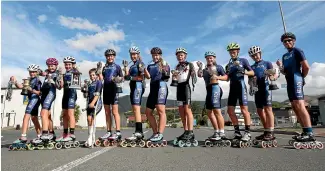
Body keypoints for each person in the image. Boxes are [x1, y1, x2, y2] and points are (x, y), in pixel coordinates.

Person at [276, 32, 321, 148]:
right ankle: (304, 131)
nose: (287, 42)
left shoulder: (298, 51)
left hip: (297, 78)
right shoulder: (284, 56)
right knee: (294, 106)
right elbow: (284, 71)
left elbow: (306, 66)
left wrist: (301, 77)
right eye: (285, 41)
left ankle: (310, 132)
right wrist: (280, 66)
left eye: (289, 40)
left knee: (300, 105)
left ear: (294, 41)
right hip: (289, 80)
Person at [224, 43, 255, 144]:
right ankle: (237, 132)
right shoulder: (228, 65)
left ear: (237, 51)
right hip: (232, 88)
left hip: (241, 87)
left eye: (234, 51)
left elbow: (252, 72)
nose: (232, 52)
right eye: (230, 51)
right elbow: (227, 78)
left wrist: (244, 71)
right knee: (230, 111)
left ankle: (247, 132)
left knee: (244, 110)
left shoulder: (243, 61)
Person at [248, 46, 277, 144]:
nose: (255, 56)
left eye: (256, 54)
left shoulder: (267, 63)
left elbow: (273, 75)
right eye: (253, 55)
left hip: (266, 88)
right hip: (257, 90)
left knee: (268, 109)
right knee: (260, 111)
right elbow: (249, 80)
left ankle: (271, 132)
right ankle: (266, 131)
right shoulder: (252, 67)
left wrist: (272, 77)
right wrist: (251, 84)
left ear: (260, 53)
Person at [197, 51, 228, 142]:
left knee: (216, 111)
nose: (209, 59)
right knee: (209, 112)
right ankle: (216, 131)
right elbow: (199, 75)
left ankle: (222, 133)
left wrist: (218, 77)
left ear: (214, 58)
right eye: (207, 58)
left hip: (215, 88)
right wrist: (200, 67)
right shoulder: (205, 69)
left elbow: (226, 77)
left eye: (211, 58)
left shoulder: (218, 67)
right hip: (208, 90)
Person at [10, 64, 42, 148]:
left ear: (37, 72)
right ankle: (40, 136)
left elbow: (39, 93)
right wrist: (15, 81)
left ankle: (23, 136)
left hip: (35, 99)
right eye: (31, 72)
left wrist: (30, 89)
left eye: (34, 72)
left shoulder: (37, 81)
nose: (32, 73)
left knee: (26, 116)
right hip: (31, 99)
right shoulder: (28, 80)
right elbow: (20, 86)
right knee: (34, 118)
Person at [144, 47, 170, 146]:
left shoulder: (164, 63)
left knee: (160, 110)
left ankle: (160, 134)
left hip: (161, 86)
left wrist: (164, 68)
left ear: (160, 55)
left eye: (157, 55)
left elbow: (167, 77)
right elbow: (148, 77)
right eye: (154, 55)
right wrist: (144, 70)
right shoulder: (150, 65)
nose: (155, 56)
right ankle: (155, 133)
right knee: (148, 112)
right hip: (153, 88)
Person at [172, 47, 198, 147]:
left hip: (186, 87)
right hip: (179, 88)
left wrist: (195, 72)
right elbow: (176, 78)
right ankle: (186, 131)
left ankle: (191, 131)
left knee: (187, 110)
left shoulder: (189, 64)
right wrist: (174, 76)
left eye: (181, 55)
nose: (180, 56)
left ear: (185, 56)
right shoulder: (177, 66)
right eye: (178, 55)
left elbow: (193, 75)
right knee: (181, 111)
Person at [123, 46, 149, 142]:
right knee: (134, 109)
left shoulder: (140, 64)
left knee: (137, 108)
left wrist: (131, 78)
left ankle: (139, 132)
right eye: (131, 54)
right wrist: (125, 67)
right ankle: (138, 132)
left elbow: (142, 77)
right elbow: (127, 77)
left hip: (138, 86)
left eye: (134, 54)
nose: (133, 56)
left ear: (138, 55)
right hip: (132, 87)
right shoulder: (132, 65)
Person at [98, 49, 123, 142]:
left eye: (111, 55)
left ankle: (118, 132)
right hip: (106, 90)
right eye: (108, 56)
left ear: (114, 57)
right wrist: (99, 71)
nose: (110, 57)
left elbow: (122, 78)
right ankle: (108, 131)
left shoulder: (117, 67)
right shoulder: (104, 67)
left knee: (115, 112)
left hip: (114, 90)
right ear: (106, 57)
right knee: (107, 112)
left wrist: (118, 79)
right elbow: (101, 79)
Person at [34, 58, 61, 143]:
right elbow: (42, 73)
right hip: (44, 94)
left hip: (51, 92)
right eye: (49, 66)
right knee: (47, 115)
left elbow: (59, 86)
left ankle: (45, 134)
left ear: (56, 66)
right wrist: (38, 70)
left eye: (52, 66)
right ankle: (52, 133)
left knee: (43, 112)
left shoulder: (57, 73)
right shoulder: (46, 71)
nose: (51, 67)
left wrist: (54, 80)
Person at [56, 56, 78, 142]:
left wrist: (76, 69)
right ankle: (65, 134)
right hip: (65, 95)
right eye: (66, 64)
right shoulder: (64, 74)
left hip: (72, 95)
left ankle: (72, 134)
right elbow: (60, 86)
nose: (67, 66)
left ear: (72, 65)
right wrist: (60, 76)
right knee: (64, 114)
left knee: (70, 114)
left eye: (69, 64)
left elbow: (77, 80)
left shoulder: (75, 72)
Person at [85, 68, 103, 147]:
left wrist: (93, 103)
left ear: (96, 75)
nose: (92, 76)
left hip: (96, 103)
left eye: (93, 75)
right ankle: (89, 137)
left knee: (92, 118)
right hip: (89, 103)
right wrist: (84, 91)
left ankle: (91, 138)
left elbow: (97, 94)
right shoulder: (89, 84)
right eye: (90, 75)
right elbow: (87, 95)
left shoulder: (99, 82)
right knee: (88, 119)